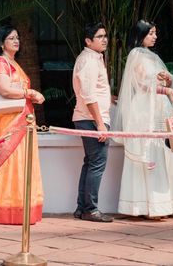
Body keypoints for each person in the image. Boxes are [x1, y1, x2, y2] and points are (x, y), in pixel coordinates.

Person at [114, 20, 173, 219]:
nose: (155, 36)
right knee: (149, 152)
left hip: (159, 108)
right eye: (151, 33)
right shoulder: (136, 55)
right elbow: (142, 85)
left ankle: (163, 204)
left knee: (161, 152)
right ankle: (147, 206)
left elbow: (156, 80)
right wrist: (167, 90)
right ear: (140, 35)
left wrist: (167, 80)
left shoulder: (152, 56)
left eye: (155, 33)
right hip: (145, 109)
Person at [0, 25, 44, 225]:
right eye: (11, 38)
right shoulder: (1, 62)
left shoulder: (14, 63)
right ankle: (8, 210)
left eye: (17, 37)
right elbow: (5, 89)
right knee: (12, 165)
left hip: (23, 120)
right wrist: (29, 93)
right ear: (2, 43)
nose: (16, 41)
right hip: (9, 122)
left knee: (23, 164)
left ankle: (25, 209)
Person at [71, 22, 113, 223]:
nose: (104, 39)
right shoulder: (88, 60)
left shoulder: (94, 58)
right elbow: (88, 95)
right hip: (91, 119)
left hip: (89, 118)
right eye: (99, 36)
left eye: (105, 35)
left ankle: (82, 208)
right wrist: (100, 124)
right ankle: (91, 209)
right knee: (96, 164)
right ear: (88, 41)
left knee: (90, 164)